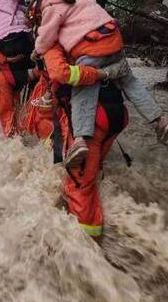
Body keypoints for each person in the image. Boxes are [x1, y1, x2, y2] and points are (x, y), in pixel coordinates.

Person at [30, 0, 168, 168]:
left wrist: (38, 50)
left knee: (83, 93)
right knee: (130, 81)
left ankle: (80, 140)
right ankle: (160, 120)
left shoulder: (52, 4)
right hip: (114, 43)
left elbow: (47, 39)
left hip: (89, 50)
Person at [25, 43, 129, 242]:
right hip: (117, 113)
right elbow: (130, 82)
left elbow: (60, 75)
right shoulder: (105, 41)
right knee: (93, 170)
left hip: (89, 119)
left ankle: (87, 243)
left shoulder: (56, 42)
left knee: (80, 185)